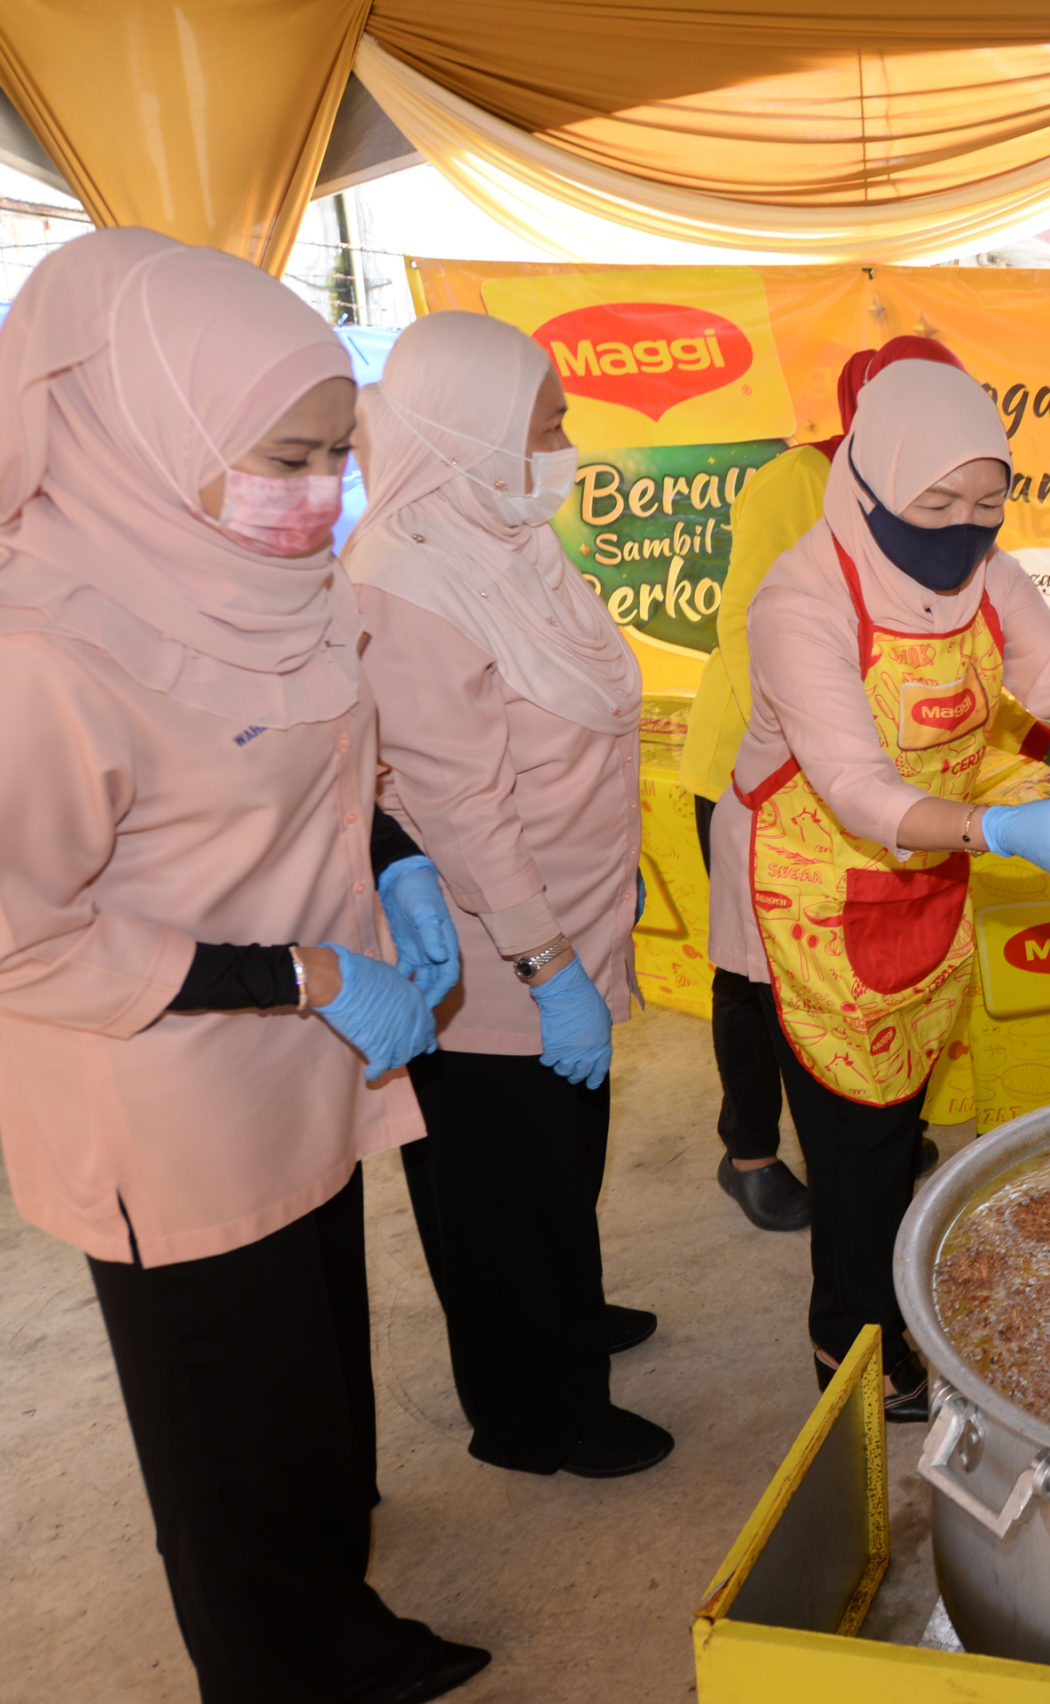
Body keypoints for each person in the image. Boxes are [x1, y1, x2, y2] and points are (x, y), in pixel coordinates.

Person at [0, 230, 485, 1703]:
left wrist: (393, 858)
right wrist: (308, 977)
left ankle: (333, 1597)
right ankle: (285, 1666)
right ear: (154, 429)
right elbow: (23, 933)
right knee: (229, 1419)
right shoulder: (45, 650)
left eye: (339, 454)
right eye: (288, 459)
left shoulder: (267, 577)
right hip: (171, 1094)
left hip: (303, 1061)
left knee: (309, 1374)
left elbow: (320, 763)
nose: (323, 493)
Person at [705, 339, 1050, 1419]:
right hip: (814, 885)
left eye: (987, 504)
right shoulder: (803, 597)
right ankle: (851, 1357)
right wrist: (1001, 830)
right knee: (851, 1142)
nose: (962, 529)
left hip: (930, 862)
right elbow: (856, 792)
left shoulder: (986, 575)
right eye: (936, 503)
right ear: (869, 479)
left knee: (894, 1127)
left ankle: (883, 1305)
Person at [348, 311, 673, 1480]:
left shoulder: (505, 541)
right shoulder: (406, 586)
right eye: (543, 428)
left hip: (569, 920)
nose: (562, 449)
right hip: (495, 962)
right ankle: (534, 1417)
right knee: (498, 1191)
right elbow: (461, 812)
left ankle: (562, 1315)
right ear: (466, 431)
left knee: (554, 1168)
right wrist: (548, 968)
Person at [678, 347, 898, 1233]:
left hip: (840, 773)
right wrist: (797, 739)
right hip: (753, 766)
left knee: (829, 966)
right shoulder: (796, 481)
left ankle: (850, 1134)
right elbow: (742, 620)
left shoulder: (907, 497)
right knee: (754, 969)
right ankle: (751, 1153)